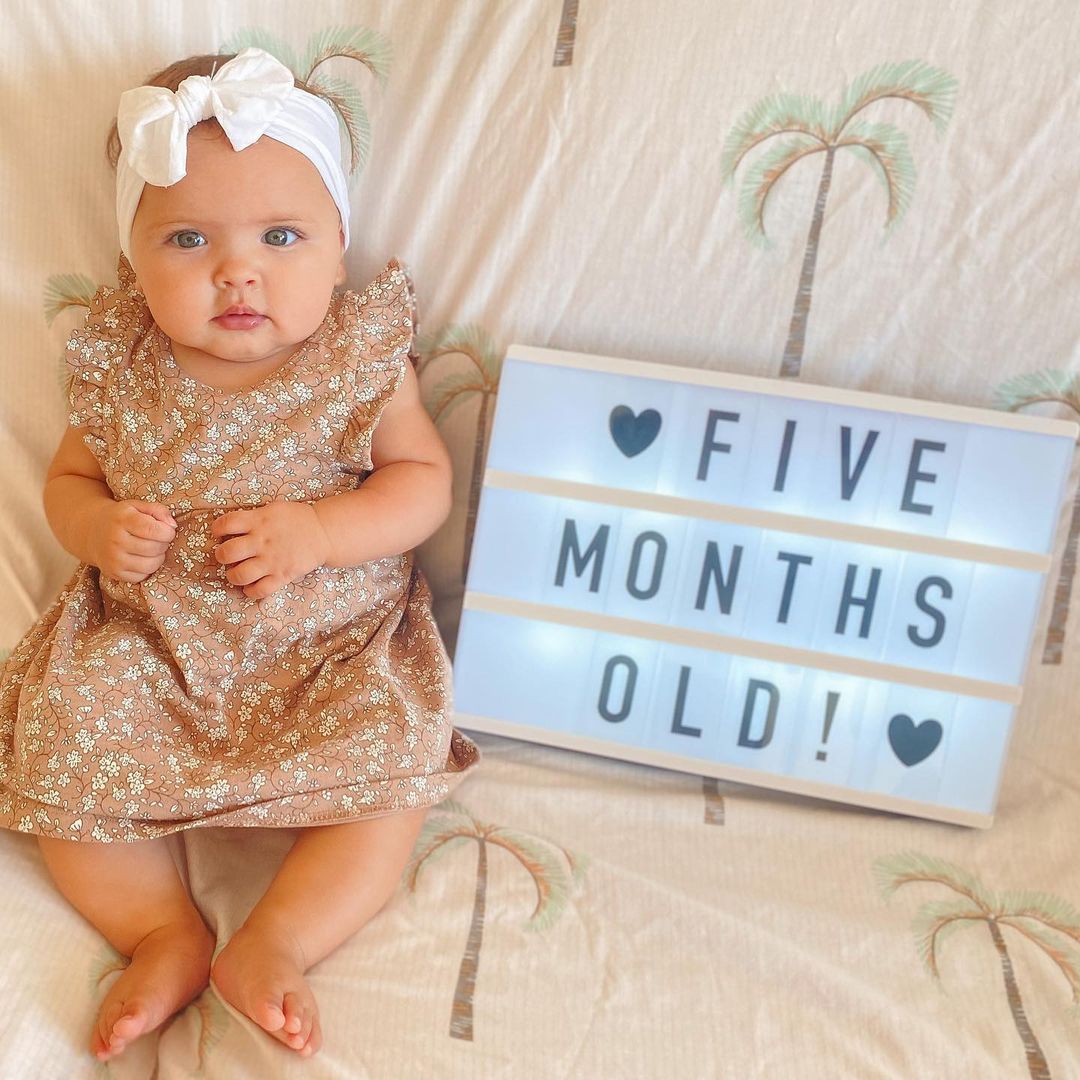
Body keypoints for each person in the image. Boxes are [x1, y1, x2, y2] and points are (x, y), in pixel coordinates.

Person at [0, 47, 479, 1061]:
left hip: (328, 651)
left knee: (396, 770)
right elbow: (70, 481)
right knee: (63, 736)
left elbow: (422, 482)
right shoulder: (124, 366)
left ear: (338, 247)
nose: (238, 271)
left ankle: (277, 939)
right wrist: (95, 528)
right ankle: (159, 932)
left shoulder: (357, 360)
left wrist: (322, 531)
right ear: (134, 263)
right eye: (188, 239)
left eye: (281, 235)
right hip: (153, 647)